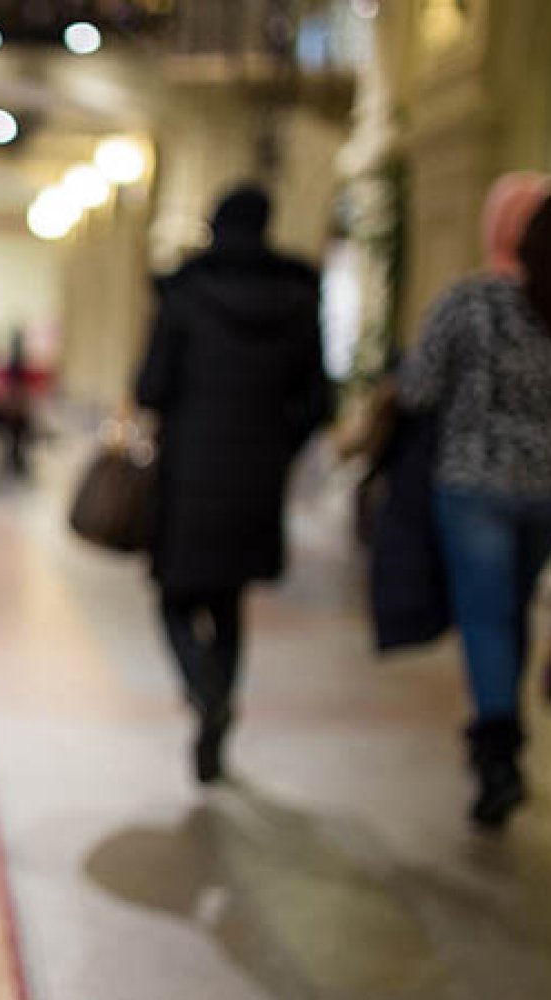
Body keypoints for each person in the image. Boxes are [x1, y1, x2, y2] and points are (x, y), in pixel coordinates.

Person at [398, 173, 551, 829]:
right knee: (506, 610)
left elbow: (417, 386)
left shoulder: (473, 303)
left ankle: (496, 749)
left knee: (486, 616)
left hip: (476, 485)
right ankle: (501, 727)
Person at [136, 185, 333, 784]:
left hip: (191, 470)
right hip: (257, 473)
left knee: (174, 597)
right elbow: (318, 399)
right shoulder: (297, 296)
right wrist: (277, 445)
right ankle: (217, 697)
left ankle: (204, 691)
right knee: (227, 601)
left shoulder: (187, 292)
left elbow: (150, 386)